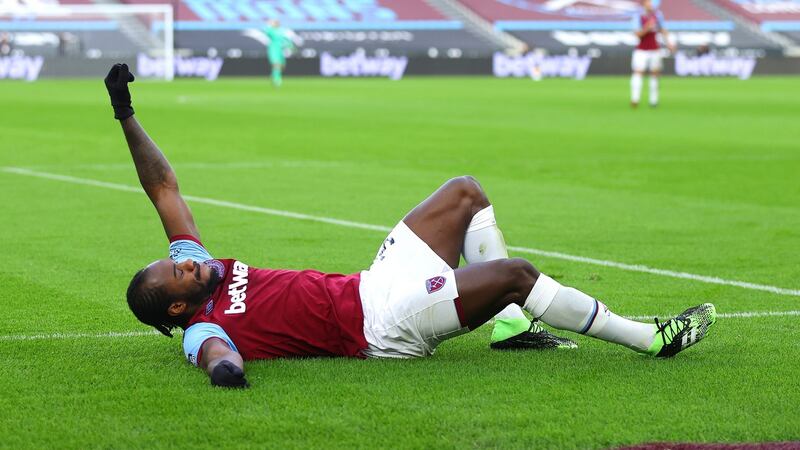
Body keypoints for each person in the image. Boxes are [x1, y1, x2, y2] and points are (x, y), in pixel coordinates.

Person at [105, 64, 717, 388]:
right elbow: (214, 355)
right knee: (513, 273)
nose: (186, 259)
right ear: (180, 309)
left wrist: (124, 112)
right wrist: (224, 371)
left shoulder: (201, 272)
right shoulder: (202, 327)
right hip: (384, 328)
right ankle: (650, 340)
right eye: (178, 271)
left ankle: (508, 329)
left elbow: (163, 188)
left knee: (465, 192)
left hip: (374, 284)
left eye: (178, 258)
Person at [630, 0, 676, 108]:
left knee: (655, 74)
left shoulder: (658, 15)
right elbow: (637, 34)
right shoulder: (638, 16)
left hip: (655, 49)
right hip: (641, 50)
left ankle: (653, 101)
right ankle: (635, 99)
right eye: (649, 3)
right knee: (638, 72)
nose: (651, 5)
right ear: (644, 4)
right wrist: (647, 27)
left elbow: (663, 30)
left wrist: (669, 43)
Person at [262, 19, 300, 87]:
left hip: (280, 50)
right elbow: (265, 30)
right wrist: (269, 23)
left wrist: (291, 46)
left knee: (282, 66)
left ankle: (274, 75)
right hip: (274, 49)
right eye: (275, 22)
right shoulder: (271, 30)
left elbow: (285, 40)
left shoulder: (282, 30)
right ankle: (277, 80)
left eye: (277, 22)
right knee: (276, 64)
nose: (276, 23)